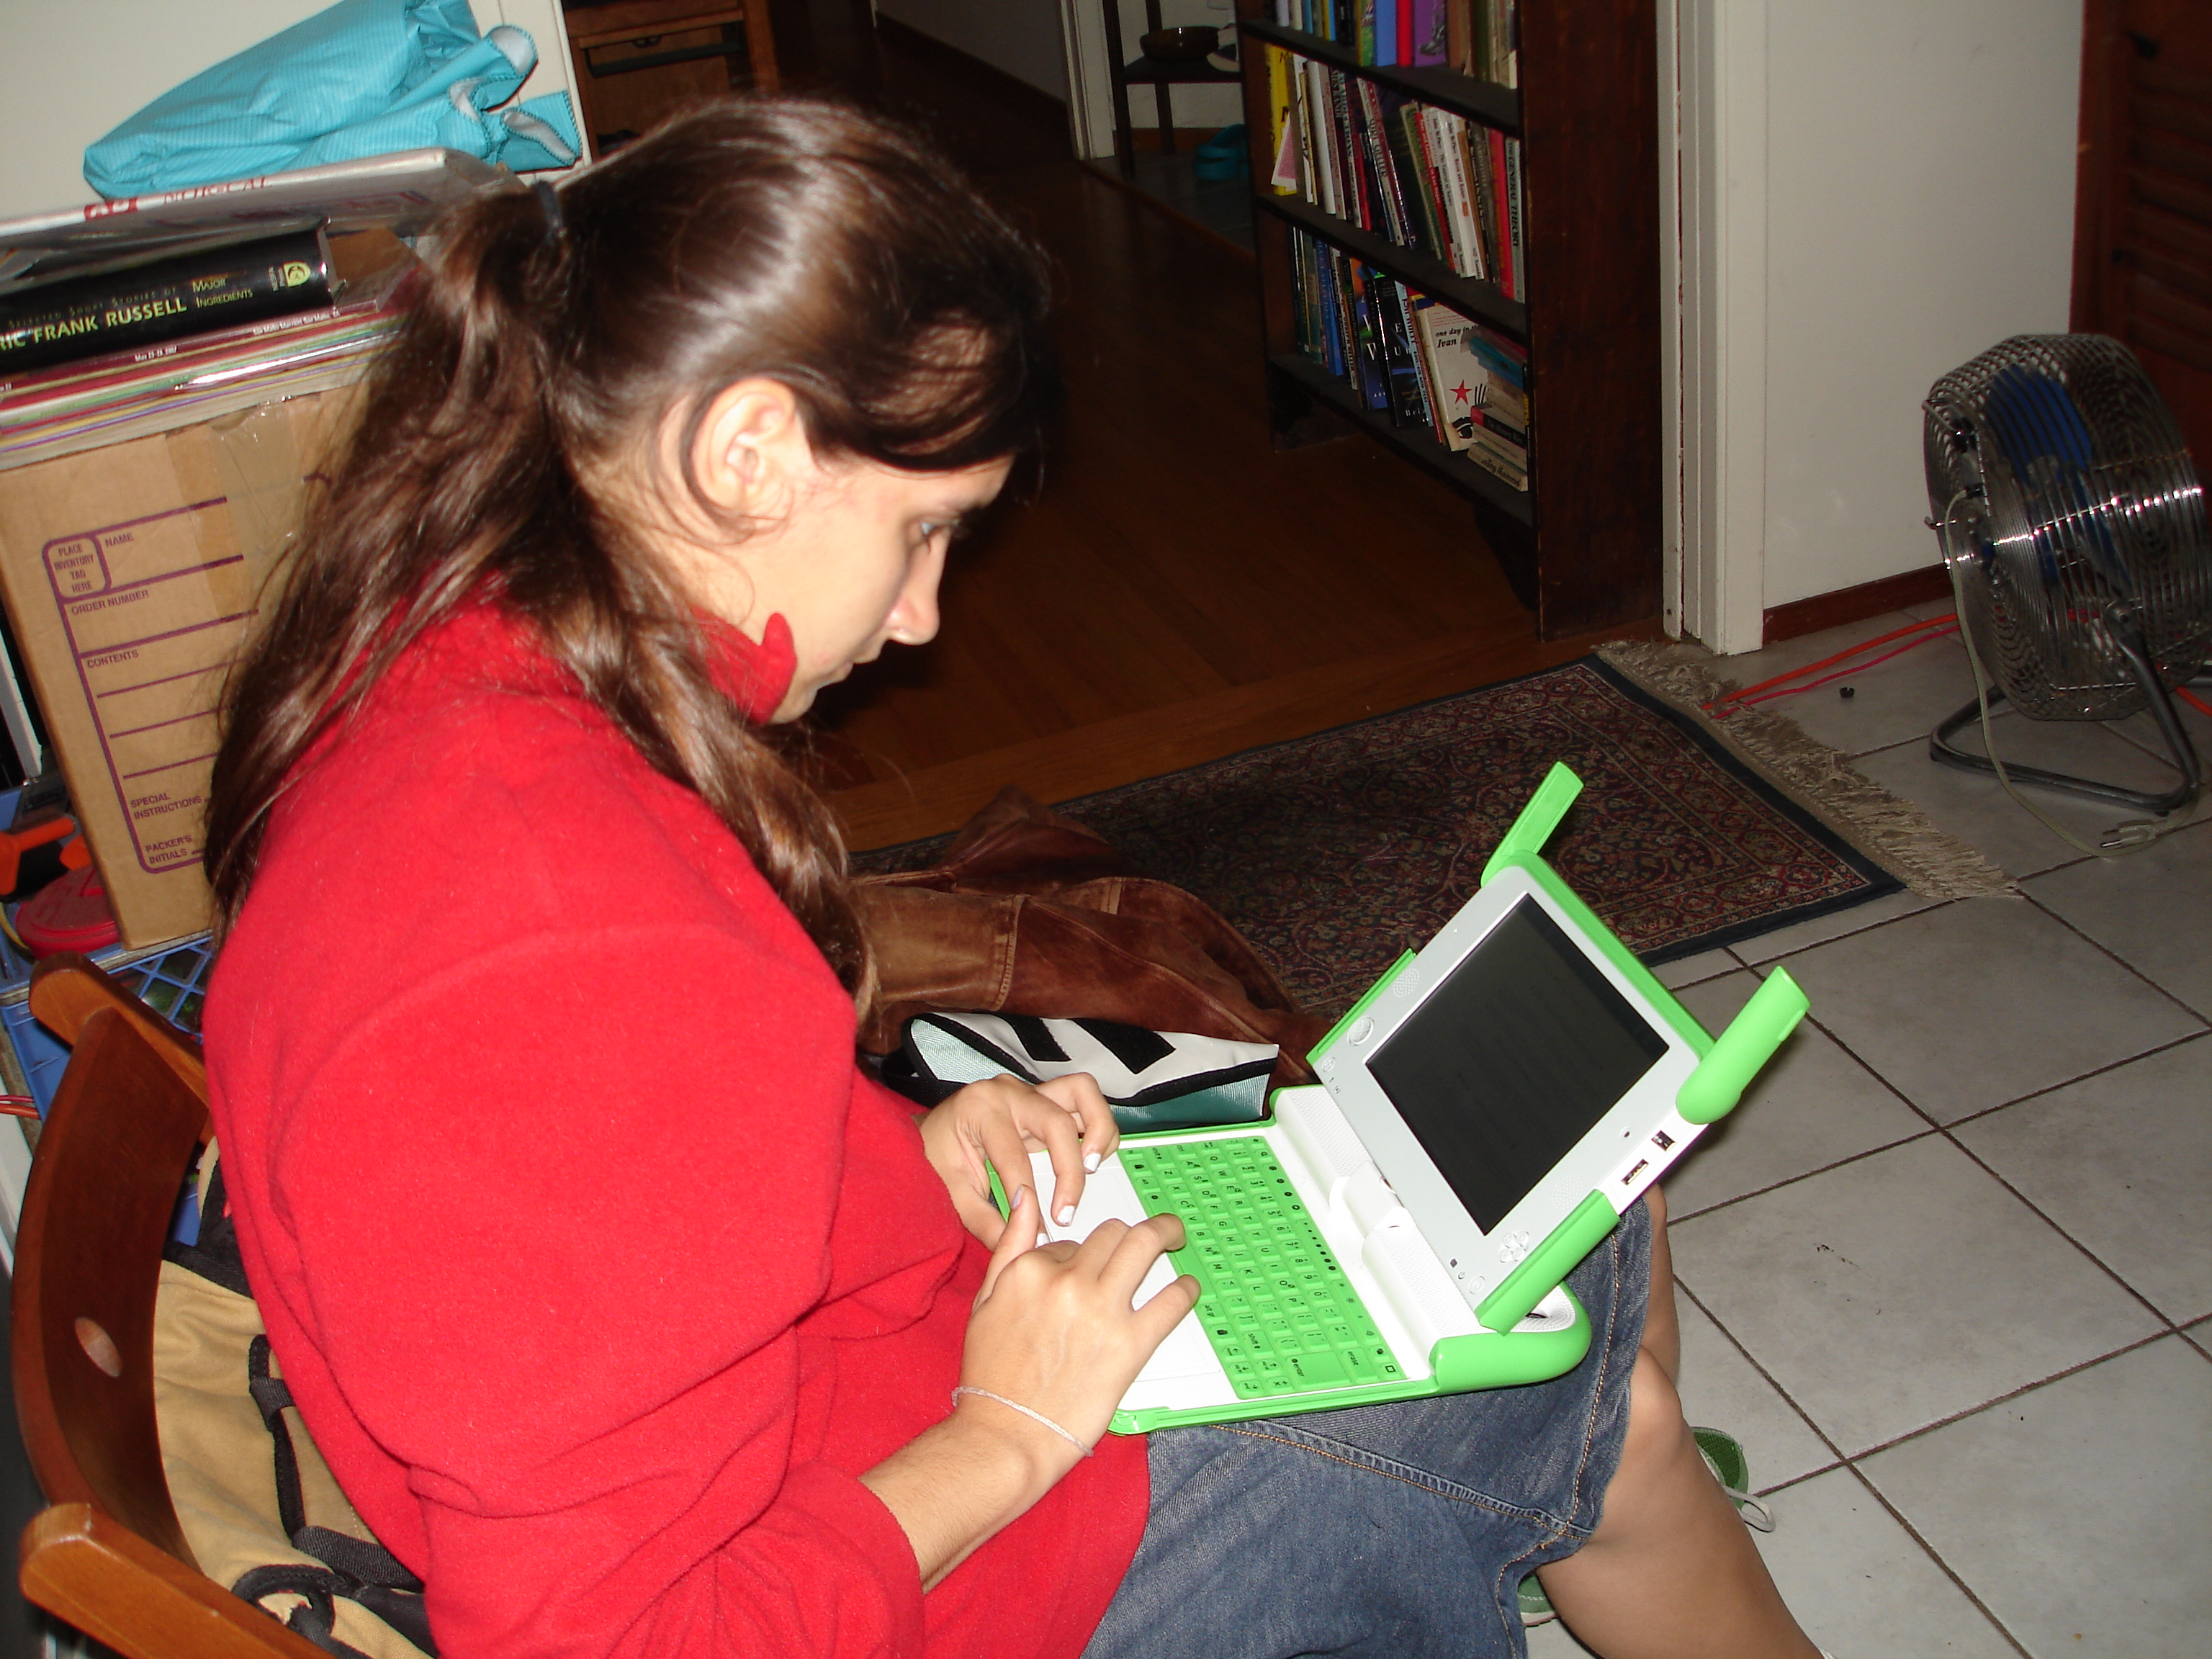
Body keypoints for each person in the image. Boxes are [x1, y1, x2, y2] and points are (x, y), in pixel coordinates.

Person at [200, 96, 1820, 1659]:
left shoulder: (444, 651)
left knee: (1569, 1233)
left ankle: (1554, 1500)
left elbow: (622, 1192)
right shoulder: (572, 942)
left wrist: (900, 1162)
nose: (920, 618)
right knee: (1582, 1351)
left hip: (835, 1418)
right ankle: (1563, 1494)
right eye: (925, 529)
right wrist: (1011, 1431)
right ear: (749, 450)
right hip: (923, 1548)